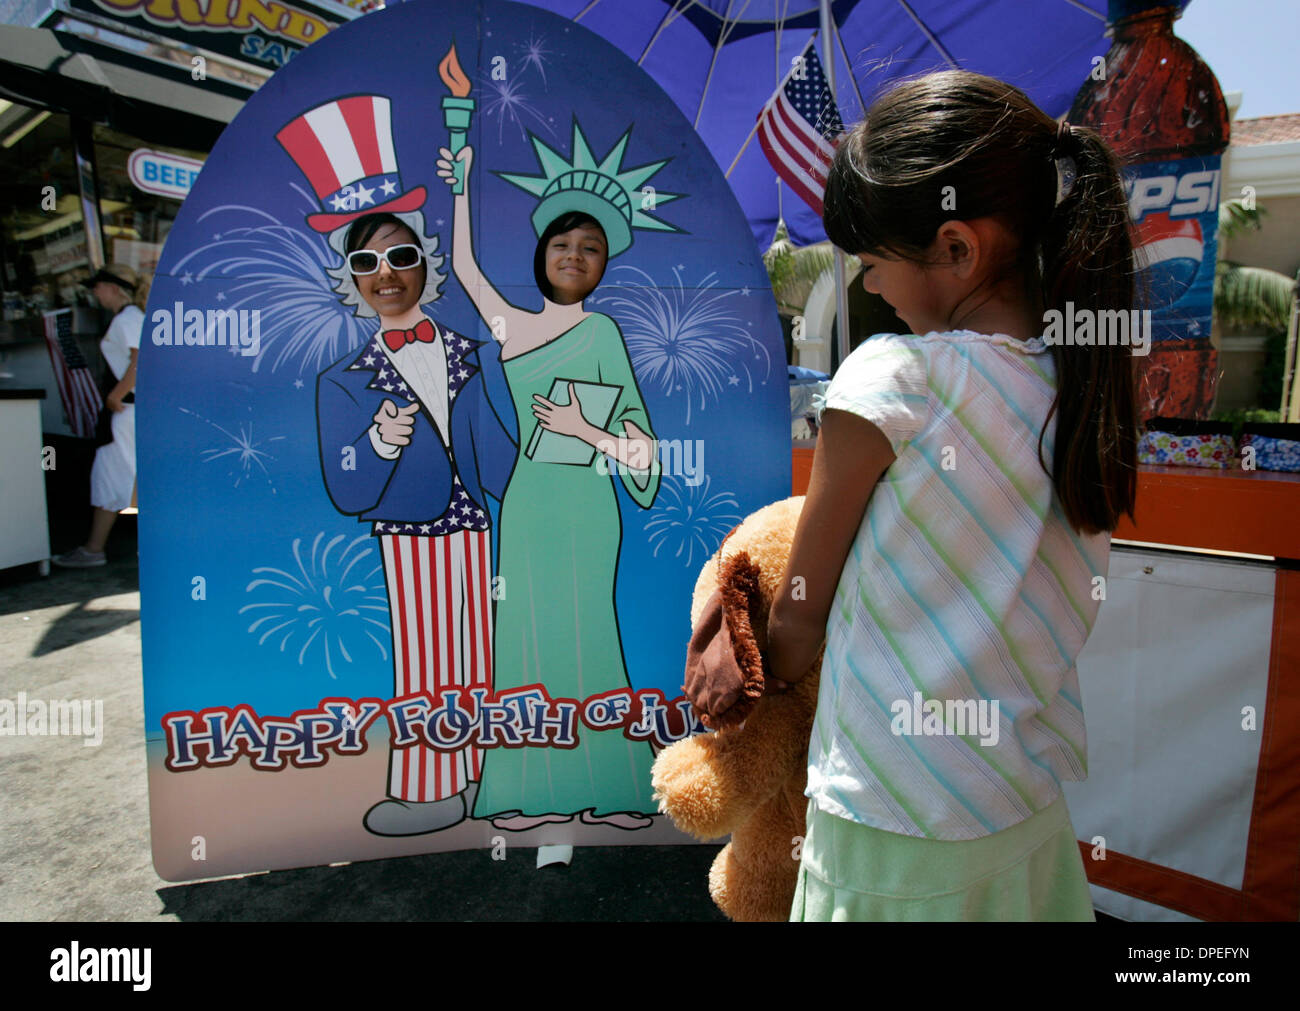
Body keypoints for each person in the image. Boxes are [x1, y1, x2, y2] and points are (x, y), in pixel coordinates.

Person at [693, 70, 1139, 920]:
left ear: (957, 249)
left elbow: (799, 614)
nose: (867, 286)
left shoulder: (895, 379)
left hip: (889, 817)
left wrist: (751, 668)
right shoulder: (1081, 382)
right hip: (1022, 807)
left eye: (870, 262)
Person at [436, 142, 662, 831]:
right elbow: (465, 268)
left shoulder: (601, 331)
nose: (574, 253)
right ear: (541, 254)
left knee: (591, 633)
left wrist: (583, 428)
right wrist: (463, 183)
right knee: (527, 636)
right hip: (529, 507)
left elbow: (643, 449)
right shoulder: (511, 329)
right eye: (562, 241)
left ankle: (617, 787)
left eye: (589, 246)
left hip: (591, 508)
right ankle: (525, 793)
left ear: (603, 265)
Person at [314, 210, 515, 836]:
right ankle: (429, 791)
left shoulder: (479, 355)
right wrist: (377, 443)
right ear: (350, 281)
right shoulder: (342, 381)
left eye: (400, 257)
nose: (387, 274)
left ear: (426, 266)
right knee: (426, 659)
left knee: (489, 652)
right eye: (366, 264)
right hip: (410, 536)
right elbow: (345, 487)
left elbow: (506, 448)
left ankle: (495, 779)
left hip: (486, 530)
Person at [54, 264, 147, 568]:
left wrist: (115, 395)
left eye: (98, 286)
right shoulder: (130, 318)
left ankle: (94, 549)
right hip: (133, 411)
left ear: (113, 287)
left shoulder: (128, 319)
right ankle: (98, 548)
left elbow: (140, 358)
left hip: (128, 410)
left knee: (112, 475)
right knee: (127, 477)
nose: (94, 292)